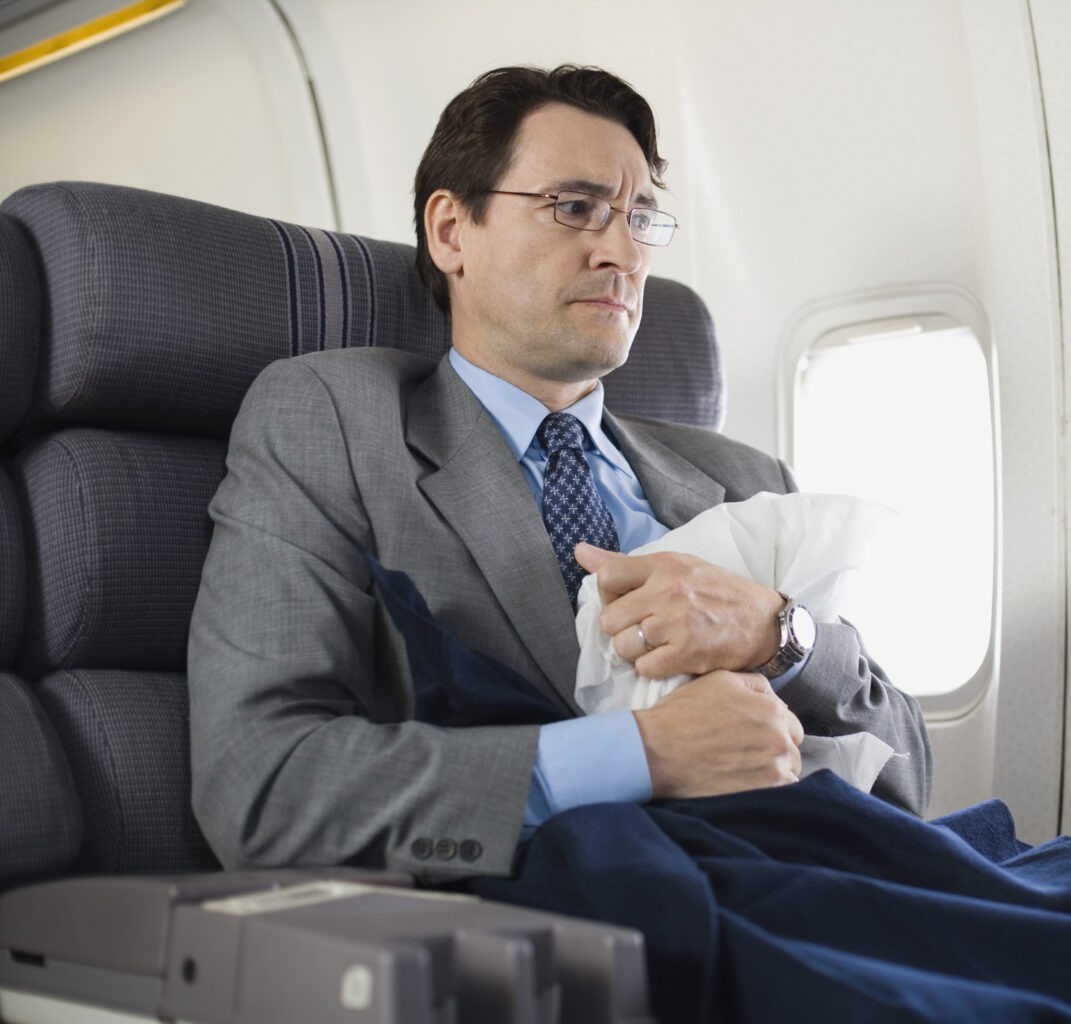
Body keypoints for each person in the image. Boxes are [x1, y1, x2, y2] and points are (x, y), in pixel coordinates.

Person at [186, 65, 930, 884]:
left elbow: (907, 775)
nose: (621, 252)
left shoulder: (745, 479)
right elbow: (262, 787)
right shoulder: (334, 423)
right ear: (450, 232)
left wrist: (779, 636)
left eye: (640, 217)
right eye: (574, 208)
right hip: (617, 915)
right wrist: (643, 753)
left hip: (842, 871)